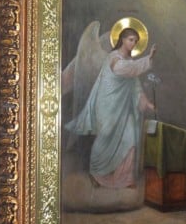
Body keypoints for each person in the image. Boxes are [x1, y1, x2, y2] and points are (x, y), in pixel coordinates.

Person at [65, 26, 157, 188]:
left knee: (131, 139)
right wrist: (147, 60)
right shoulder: (113, 58)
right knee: (105, 138)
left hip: (125, 107)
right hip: (107, 105)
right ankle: (97, 174)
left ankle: (125, 179)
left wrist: (145, 101)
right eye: (131, 40)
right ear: (122, 40)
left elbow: (135, 85)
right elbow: (125, 70)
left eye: (136, 41)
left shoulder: (129, 61)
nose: (133, 44)